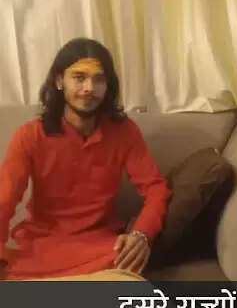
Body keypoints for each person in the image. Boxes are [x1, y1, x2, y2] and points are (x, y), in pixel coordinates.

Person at [0, 38, 171, 281]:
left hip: (101, 247)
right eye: (79, 77)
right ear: (59, 81)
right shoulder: (29, 135)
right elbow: (4, 199)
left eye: (99, 79)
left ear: (108, 85)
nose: (90, 87)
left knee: (128, 262)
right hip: (41, 247)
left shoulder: (124, 131)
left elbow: (155, 188)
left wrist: (141, 234)